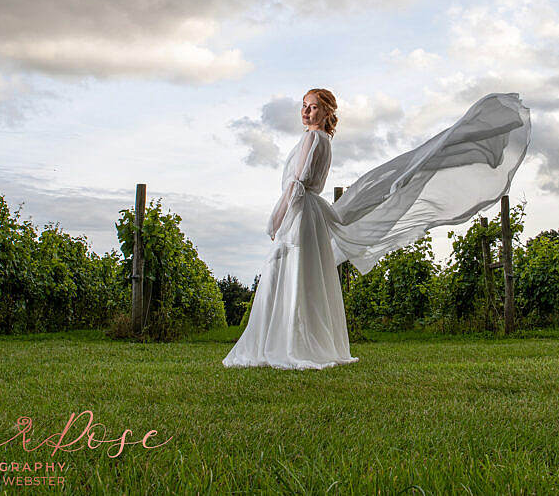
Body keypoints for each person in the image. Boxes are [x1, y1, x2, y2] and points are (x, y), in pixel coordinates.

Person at [222, 89, 531, 370]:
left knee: (288, 273)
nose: (306, 112)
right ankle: (303, 343)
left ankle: (283, 344)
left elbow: (299, 181)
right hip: (311, 212)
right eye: (303, 106)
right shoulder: (325, 141)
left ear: (326, 112)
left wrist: (277, 216)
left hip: (301, 211)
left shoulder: (312, 139)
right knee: (305, 276)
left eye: (313, 107)